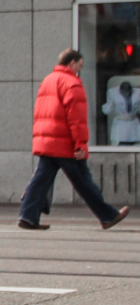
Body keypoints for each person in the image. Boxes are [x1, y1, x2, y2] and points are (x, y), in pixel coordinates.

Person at [18, 49, 130, 231]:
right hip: (65, 143)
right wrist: (80, 143)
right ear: (72, 63)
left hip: (47, 140)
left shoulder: (48, 80)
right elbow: (76, 118)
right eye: (80, 65)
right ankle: (108, 216)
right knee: (83, 181)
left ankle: (28, 216)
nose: (80, 69)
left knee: (40, 179)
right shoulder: (72, 83)